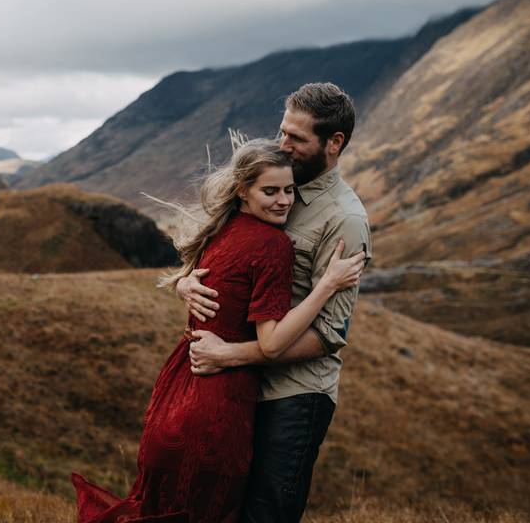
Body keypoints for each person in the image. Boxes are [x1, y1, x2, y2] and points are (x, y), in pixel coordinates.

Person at [71, 138, 365, 523]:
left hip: (173, 397)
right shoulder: (273, 245)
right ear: (243, 191)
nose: (283, 201)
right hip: (215, 410)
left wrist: (181, 284)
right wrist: (326, 284)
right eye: (270, 191)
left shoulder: (222, 228)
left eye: (289, 190)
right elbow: (273, 344)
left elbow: (201, 286)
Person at [179, 83, 372, 523]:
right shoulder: (271, 183)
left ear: (333, 143)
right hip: (237, 391)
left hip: (294, 397)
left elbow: (329, 336)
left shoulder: (345, 219)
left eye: (297, 139)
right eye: (282, 131)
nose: (282, 144)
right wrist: (187, 283)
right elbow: (225, 255)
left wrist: (229, 355)